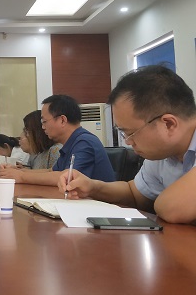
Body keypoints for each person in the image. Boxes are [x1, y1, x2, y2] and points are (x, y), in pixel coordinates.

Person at [60, 65, 196, 224]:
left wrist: (161, 203)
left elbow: (173, 209)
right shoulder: (163, 153)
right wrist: (92, 187)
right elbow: (134, 193)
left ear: (169, 124)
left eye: (130, 133)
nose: (127, 141)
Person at [0, 94, 115, 185]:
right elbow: (51, 172)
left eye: (44, 121)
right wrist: (17, 172)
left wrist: (21, 177)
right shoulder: (70, 143)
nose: (42, 127)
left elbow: (67, 177)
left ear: (62, 120)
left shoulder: (84, 142)